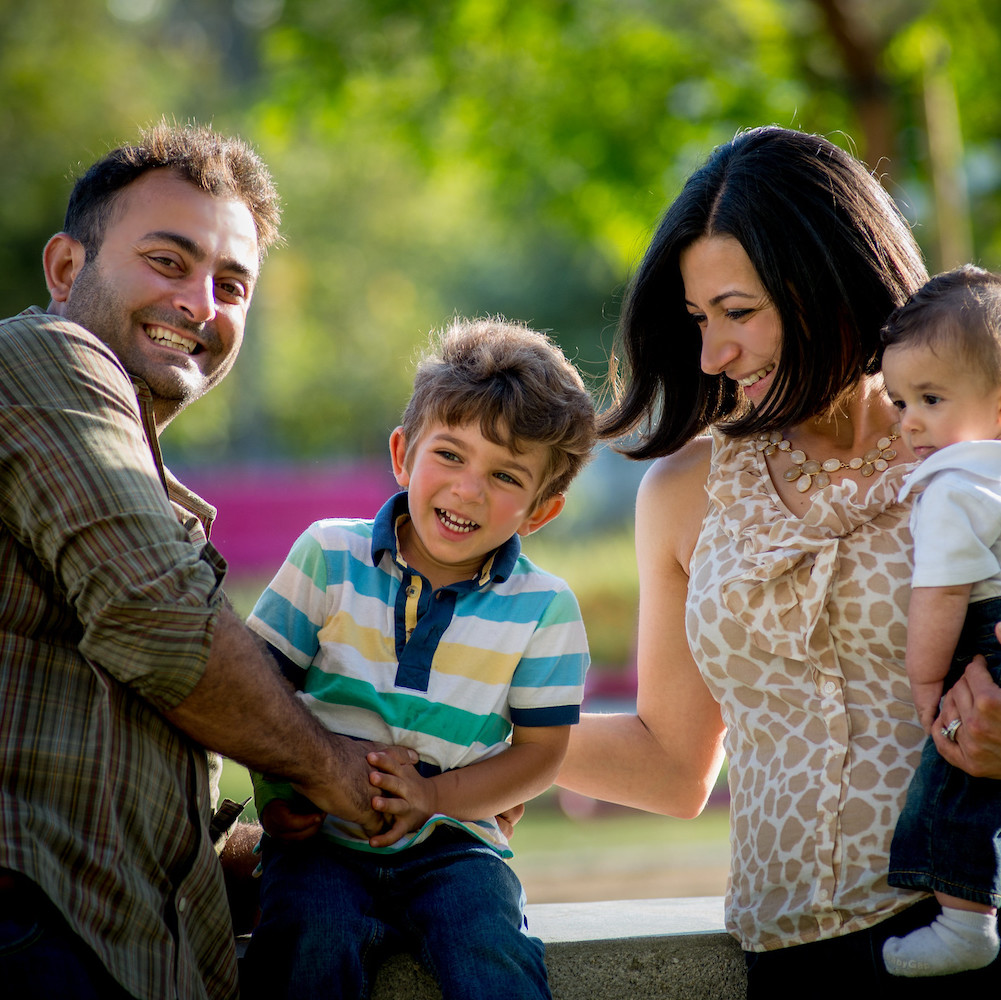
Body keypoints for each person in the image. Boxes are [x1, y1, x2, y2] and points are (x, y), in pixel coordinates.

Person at [555, 125, 1001, 996]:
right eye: (696, 320)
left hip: (971, 929)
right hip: (791, 963)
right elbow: (672, 762)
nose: (711, 356)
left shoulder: (972, 454)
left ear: (831, 281)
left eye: (737, 312)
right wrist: (474, 727)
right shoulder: (683, 492)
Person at [0, 122, 411, 1000]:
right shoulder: (43, 355)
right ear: (67, 269)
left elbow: (94, 759)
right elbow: (160, 620)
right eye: (167, 261)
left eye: (232, 284)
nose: (200, 303)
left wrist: (295, 847)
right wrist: (338, 773)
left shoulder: (139, 474)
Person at [239, 317, 595, 1000]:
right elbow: (258, 690)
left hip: (454, 844)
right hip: (321, 834)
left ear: (539, 511)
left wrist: (436, 798)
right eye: (451, 456)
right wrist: (278, 795)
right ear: (403, 454)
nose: (468, 490)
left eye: (505, 476)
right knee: (307, 939)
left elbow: (539, 754)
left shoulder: (544, 610)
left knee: (492, 951)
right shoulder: (328, 555)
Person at [879, 266, 1001, 976]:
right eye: (898, 402)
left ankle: (963, 919)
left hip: (979, 639)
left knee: (959, 775)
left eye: (929, 398)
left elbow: (939, 594)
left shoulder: (953, 487)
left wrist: (924, 677)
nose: (910, 421)